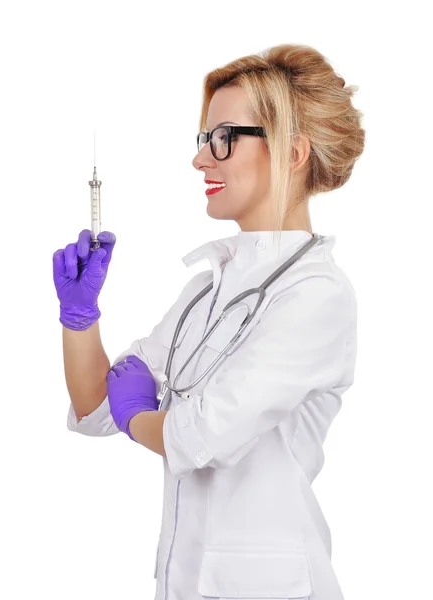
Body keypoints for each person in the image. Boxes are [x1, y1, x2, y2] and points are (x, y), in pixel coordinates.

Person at [53, 43, 365, 600]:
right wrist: (80, 318)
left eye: (223, 138)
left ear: (293, 152)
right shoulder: (208, 288)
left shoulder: (318, 296)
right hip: (185, 580)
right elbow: (94, 405)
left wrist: (137, 414)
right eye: (204, 140)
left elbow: (203, 435)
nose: (201, 160)